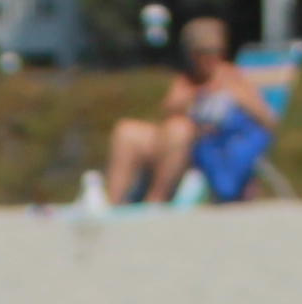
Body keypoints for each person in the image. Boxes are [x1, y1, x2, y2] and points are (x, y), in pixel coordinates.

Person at [100, 18, 278, 206]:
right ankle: (112, 204)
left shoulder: (232, 79)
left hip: (210, 149)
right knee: (126, 131)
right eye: (200, 53)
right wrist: (193, 95)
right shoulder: (187, 80)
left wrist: (233, 98)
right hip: (172, 143)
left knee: (180, 129)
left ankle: (156, 199)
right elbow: (166, 112)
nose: (208, 59)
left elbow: (266, 119)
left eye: (213, 52)